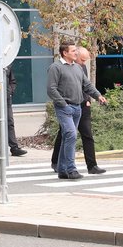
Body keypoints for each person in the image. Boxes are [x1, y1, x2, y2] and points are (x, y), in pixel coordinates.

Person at [47, 41, 107, 180]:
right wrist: (63, 104)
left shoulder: (78, 68)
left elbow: (87, 85)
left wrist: (98, 96)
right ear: (65, 53)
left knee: (68, 137)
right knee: (71, 135)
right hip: (64, 108)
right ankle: (71, 169)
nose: (76, 53)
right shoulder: (55, 67)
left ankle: (62, 169)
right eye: (73, 51)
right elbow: (51, 89)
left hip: (77, 108)